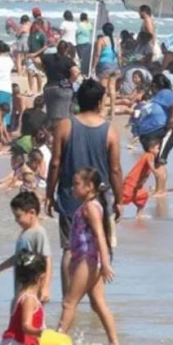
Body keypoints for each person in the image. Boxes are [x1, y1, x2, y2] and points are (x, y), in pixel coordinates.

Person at [46, 79, 122, 296]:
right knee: (99, 246)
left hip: (70, 198)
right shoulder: (110, 131)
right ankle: (94, 298)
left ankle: (69, 299)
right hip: (99, 200)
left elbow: (55, 163)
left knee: (69, 249)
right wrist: (120, 199)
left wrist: (49, 194)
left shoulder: (64, 125)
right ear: (100, 102)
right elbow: (115, 169)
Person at [57, 168, 118, 345]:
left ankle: (57, 339)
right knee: (98, 303)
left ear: (90, 186)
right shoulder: (89, 205)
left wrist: (105, 264)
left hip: (88, 259)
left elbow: (100, 234)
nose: (73, 188)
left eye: (77, 184)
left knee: (69, 302)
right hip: (88, 259)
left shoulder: (91, 207)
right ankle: (114, 344)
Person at [0, 191, 52, 302]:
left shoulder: (39, 233)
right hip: (21, 289)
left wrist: (45, 287)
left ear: (32, 213)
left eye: (18, 216)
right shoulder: (25, 233)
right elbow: (18, 257)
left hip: (33, 292)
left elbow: (47, 259)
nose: (16, 220)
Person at [134, 74, 173, 194]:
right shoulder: (156, 97)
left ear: (155, 85)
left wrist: (170, 123)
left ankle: (160, 192)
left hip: (160, 131)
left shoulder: (165, 93)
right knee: (156, 161)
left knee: (159, 161)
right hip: (148, 134)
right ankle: (160, 189)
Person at [42, 40, 79, 123]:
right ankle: (62, 134)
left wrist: (43, 68)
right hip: (63, 88)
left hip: (49, 87)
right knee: (64, 116)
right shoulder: (67, 60)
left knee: (51, 115)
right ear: (66, 50)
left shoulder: (48, 57)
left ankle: (52, 133)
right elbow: (76, 72)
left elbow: (35, 58)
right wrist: (69, 81)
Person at [122, 139, 158, 218]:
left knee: (143, 196)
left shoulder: (148, 155)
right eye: (157, 148)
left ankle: (139, 215)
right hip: (131, 182)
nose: (158, 151)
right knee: (123, 199)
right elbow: (150, 164)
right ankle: (114, 214)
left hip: (137, 185)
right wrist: (155, 172)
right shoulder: (149, 155)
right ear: (151, 148)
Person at [92, 23, 121, 118]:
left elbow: (97, 55)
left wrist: (93, 66)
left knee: (103, 89)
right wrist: (120, 66)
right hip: (114, 65)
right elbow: (119, 55)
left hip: (104, 65)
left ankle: (102, 110)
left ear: (103, 31)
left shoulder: (101, 40)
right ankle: (112, 111)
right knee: (112, 88)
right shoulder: (116, 40)